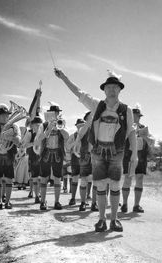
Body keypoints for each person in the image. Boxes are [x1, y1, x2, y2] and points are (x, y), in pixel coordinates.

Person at [55, 69, 138, 232]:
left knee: (115, 185)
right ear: (104, 90)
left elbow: (132, 132)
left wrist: (134, 154)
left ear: (120, 89)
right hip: (98, 150)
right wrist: (64, 78)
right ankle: (101, 220)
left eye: (115, 87)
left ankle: (114, 220)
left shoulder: (126, 110)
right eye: (109, 87)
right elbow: (79, 93)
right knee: (100, 185)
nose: (112, 90)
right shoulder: (96, 105)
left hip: (117, 151)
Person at [34, 104, 69, 210]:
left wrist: (60, 128)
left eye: (57, 113)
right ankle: (43, 202)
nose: (55, 115)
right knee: (44, 177)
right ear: (49, 114)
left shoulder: (62, 122)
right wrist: (48, 129)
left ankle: (57, 202)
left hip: (58, 153)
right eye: (54, 113)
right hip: (46, 153)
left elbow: (67, 136)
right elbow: (38, 139)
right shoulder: (43, 125)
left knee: (58, 178)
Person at [0, 104, 21, 209]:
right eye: (2, 115)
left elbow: (18, 141)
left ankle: (8, 202)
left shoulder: (15, 126)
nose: (4, 117)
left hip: (9, 155)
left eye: (6, 115)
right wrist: (1, 135)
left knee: (9, 179)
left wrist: (10, 137)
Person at [121, 105, 153, 213]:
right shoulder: (125, 127)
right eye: (133, 116)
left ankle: (136, 205)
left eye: (138, 116)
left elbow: (152, 142)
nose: (136, 118)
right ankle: (124, 204)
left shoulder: (144, 128)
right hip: (129, 155)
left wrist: (145, 136)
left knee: (139, 179)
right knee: (127, 179)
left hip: (142, 156)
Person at [74, 111, 96, 211]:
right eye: (90, 117)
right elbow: (79, 139)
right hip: (85, 157)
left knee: (95, 181)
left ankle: (94, 203)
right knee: (83, 180)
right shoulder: (83, 128)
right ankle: (83, 203)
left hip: (96, 157)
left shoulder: (98, 128)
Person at [66, 118, 86, 206]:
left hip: (85, 158)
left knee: (85, 179)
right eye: (79, 126)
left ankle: (84, 201)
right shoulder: (72, 136)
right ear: (76, 127)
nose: (81, 127)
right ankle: (73, 198)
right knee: (75, 178)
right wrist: (76, 141)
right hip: (75, 158)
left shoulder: (87, 136)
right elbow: (67, 147)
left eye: (83, 126)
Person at [24, 116, 43, 201]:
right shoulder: (29, 133)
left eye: (40, 125)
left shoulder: (44, 132)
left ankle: (40, 194)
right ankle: (36, 196)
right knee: (35, 177)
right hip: (33, 157)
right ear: (32, 125)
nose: (38, 126)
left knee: (42, 177)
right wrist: (34, 143)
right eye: (36, 125)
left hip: (42, 156)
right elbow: (25, 145)